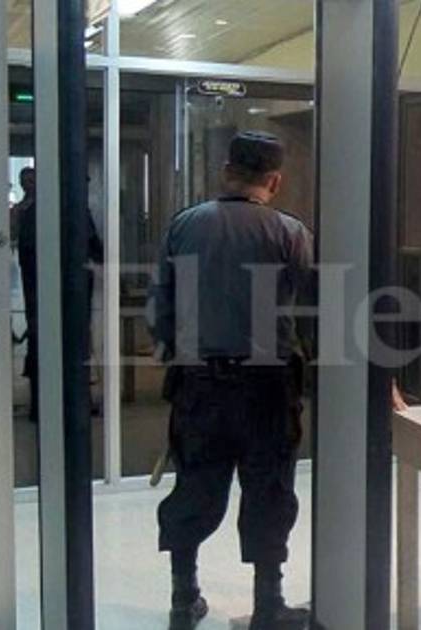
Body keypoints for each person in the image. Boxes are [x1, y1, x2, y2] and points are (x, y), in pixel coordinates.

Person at [149, 131, 314, 630]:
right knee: (269, 491)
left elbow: (161, 305)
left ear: (226, 172)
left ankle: (184, 599)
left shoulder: (185, 225)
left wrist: (175, 354)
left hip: (201, 386)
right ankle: (268, 605)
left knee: (195, 487)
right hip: (268, 389)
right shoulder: (290, 232)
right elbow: (311, 310)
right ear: (275, 181)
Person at [14, 166, 103, 424]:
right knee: (73, 344)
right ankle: (74, 403)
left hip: (41, 291)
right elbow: (94, 248)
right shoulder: (74, 211)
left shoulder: (35, 211)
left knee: (42, 342)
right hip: (68, 291)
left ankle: (41, 405)